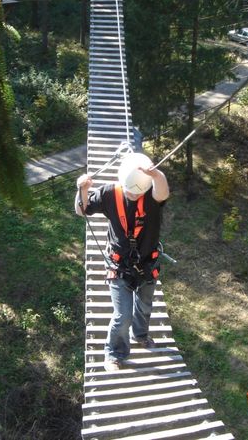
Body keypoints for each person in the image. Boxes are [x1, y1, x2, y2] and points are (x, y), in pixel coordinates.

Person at [75, 153, 170, 371]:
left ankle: (141, 335)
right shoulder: (110, 193)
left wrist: (155, 174)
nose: (132, 195)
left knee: (145, 306)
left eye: (137, 192)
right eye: (129, 191)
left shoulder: (152, 195)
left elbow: (163, 190)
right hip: (118, 264)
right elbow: (81, 210)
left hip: (147, 263)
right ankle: (114, 354)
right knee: (122, 315)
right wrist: (83, 189)